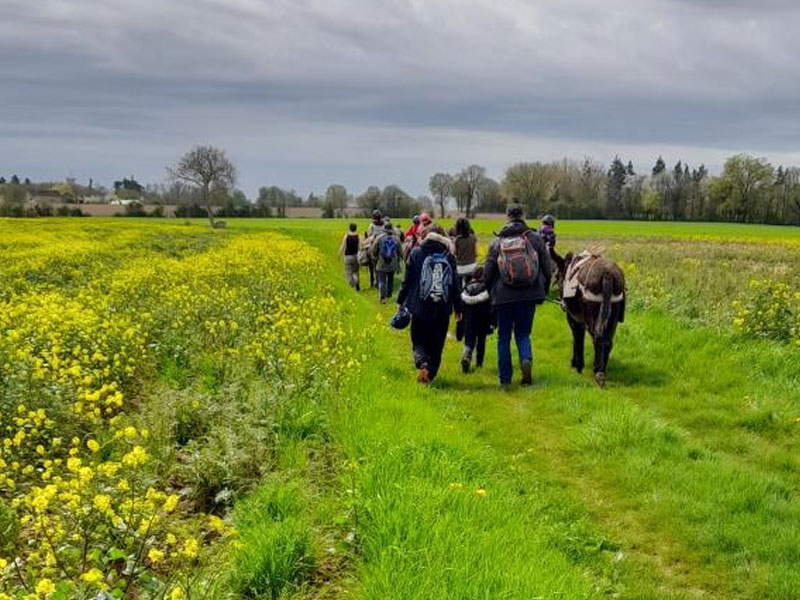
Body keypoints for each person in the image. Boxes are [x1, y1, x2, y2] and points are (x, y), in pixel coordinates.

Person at [483, 204, 552, 387]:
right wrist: (543, 291)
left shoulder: (497, 241)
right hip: (529, 294)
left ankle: (505, 379)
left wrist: (487, 294)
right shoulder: (535, 238)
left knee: (503, 337)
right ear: (523, 216)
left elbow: (488, 272)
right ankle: (526, 360)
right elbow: (548, 268)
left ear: (507, 217)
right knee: (523, 334)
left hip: (503, 297)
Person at [397, 224, 462, 384]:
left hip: (419, 308)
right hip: (442, 308)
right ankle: (430, 375)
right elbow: (455, 285)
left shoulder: (416, 252)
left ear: (426, 236)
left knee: (418, 341)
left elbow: (407, 281)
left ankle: (423, 364)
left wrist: (400, 301)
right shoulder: (449, 257)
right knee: (437, 344)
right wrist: (458, 308)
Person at [460, 265, 493, 374]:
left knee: (469, 341)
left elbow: (462, 308)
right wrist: (492, 321)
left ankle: (466, 356)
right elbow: (490, 307)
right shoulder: (486, 289)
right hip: (483, 320)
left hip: (469, 321)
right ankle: (479, 362)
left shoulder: (466, 290)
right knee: (481, 341)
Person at [371, 221, 403, 303]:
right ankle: (389, 295)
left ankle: (382, 298)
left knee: (382, 280)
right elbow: (401, 251)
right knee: (390, 279)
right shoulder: (396, 239)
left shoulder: (379, 238)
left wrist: (375, 257)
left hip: (381, 262)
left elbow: (373, 249)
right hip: (392, 262)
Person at [454, 217, 478, 288]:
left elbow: (455, 253)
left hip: (460, 268)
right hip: (472, 267)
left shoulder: (457, 240)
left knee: (459, 285)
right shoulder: (473, 238)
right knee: (469, 284)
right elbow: (476, 253)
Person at [339, 222, 361, 291]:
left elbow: (343, 246)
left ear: (349, 228)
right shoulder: (358, 236)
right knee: (356, 271)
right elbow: (361, 246)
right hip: (356, 256)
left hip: (347, 256)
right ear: (356, 228)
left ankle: (351, 286)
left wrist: (339, 254)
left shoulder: (346, 236)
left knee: (349, 272)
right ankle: (356, 282)